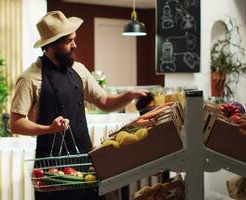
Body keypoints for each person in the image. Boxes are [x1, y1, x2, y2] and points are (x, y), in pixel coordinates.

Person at [10, 10, 146, 200]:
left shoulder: (79, 70)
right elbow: (16, 123)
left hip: (84, 160)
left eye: (74, 39)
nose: (75, 45)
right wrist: (49, 129)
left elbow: (104, 102)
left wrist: (128, 96)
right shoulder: (29, 78)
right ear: (52, 45)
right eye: (69, 41)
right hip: (51, 168)